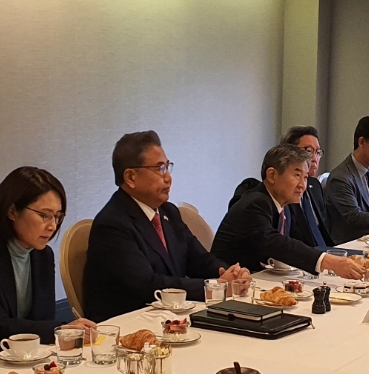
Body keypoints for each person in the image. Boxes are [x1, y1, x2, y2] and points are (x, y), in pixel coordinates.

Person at [85, 131, 251, 321]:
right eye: (159, 168)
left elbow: (199, 259)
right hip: (129, 325)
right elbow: (147, 285)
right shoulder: (112, 223)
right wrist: (214, 287)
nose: (168, 178)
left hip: (169, 318)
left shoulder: (168, 212)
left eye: (167, 167)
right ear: (130, 177)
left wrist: (230, 274)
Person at [0, 167, 96, 365]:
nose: (52, 226)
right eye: (44, 215)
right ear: (12, 211)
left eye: (58, 216)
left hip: (28, 357)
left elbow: (43, 318)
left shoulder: (42, 255)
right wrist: (60, 330)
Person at [211, 145, 365, 279]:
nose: (302, 185)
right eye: (297, 175)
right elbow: (277, 244)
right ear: (272, 175)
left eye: (305, 177)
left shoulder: (284, 205)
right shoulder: (256, 203)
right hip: (226, 285)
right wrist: (328, 261)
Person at [283, 126, 333, 248]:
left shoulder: (315, 186)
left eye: (318, 152)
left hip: (326, 252)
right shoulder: (284, 189)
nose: (314, 159)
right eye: (308, 151)